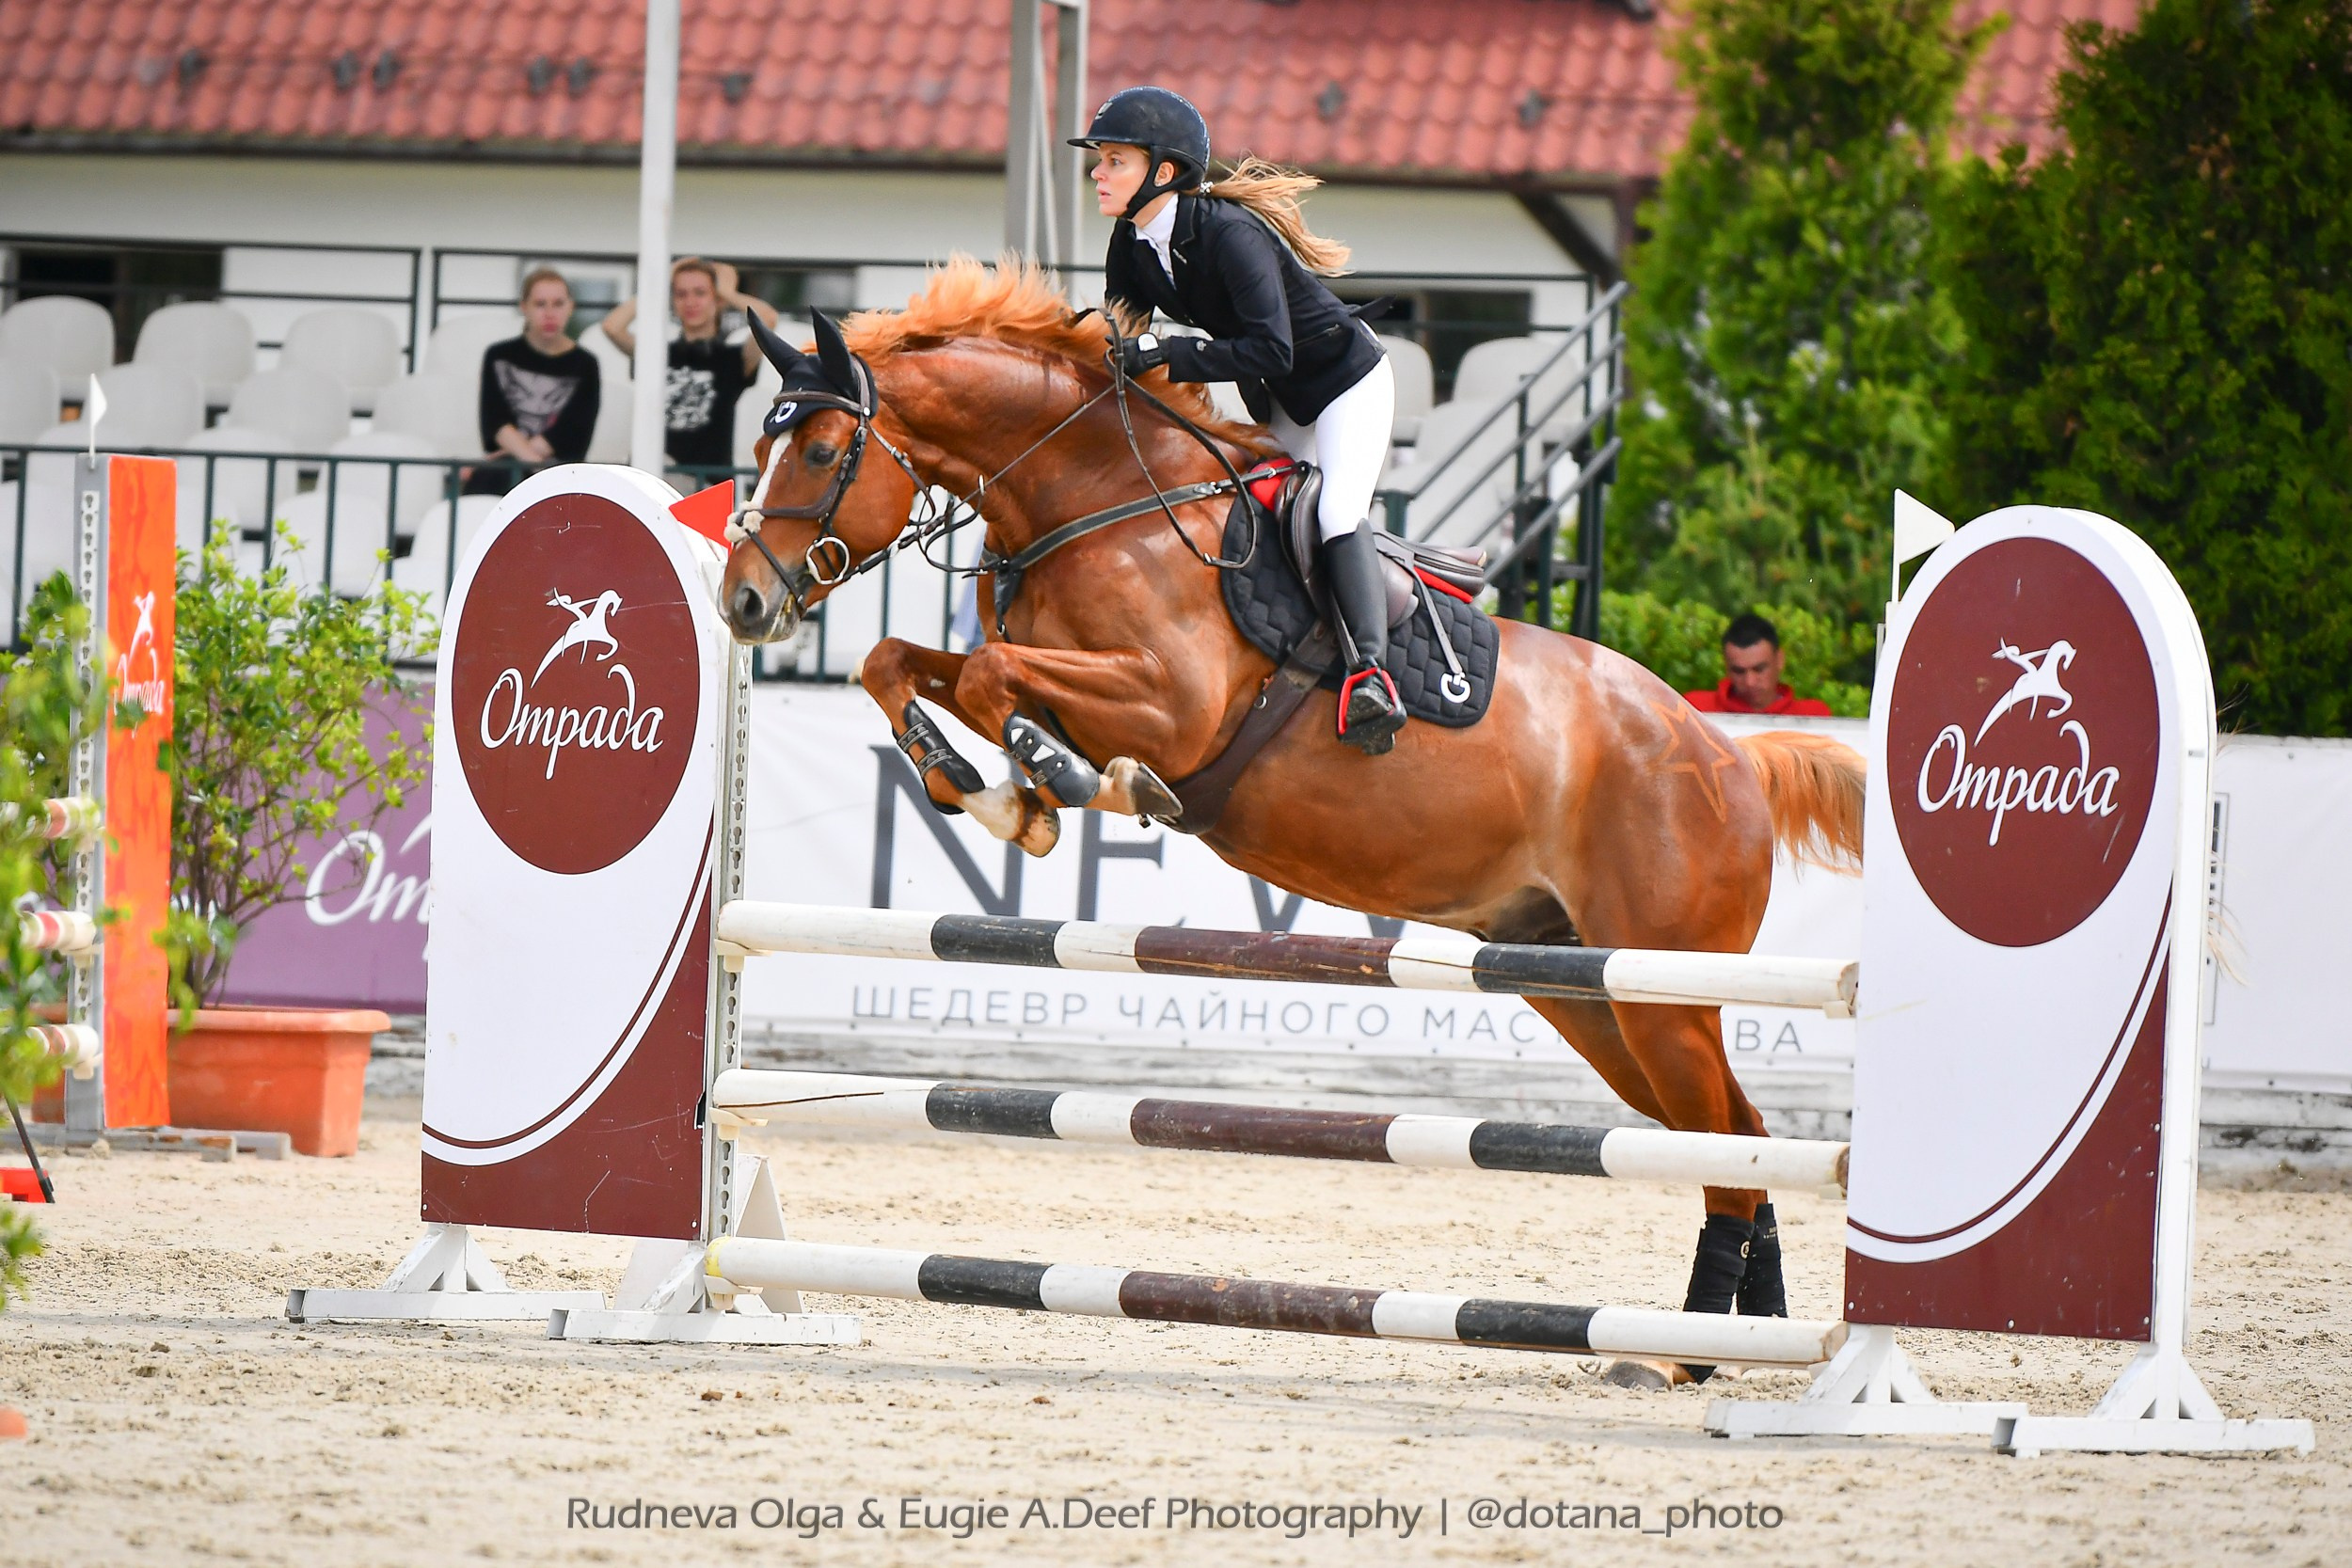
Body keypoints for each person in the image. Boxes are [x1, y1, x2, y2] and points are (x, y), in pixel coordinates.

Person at [1074, 87, 1404, 756]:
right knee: (1250, 512)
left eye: (1114, 161)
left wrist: (1167, 353)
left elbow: (1271, 348)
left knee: (1335, 512)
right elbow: (1120, 337)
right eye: (1101, 161)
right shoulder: (1132, 241)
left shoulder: (1231, 236)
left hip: (1347, 384)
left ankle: (1372, 673)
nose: (1097, 173)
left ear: (1163, 172)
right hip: (1283, 399)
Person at [601, 257, 783, 479]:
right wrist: (660, 280)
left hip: (706, 482)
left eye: (700, 293)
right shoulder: (656, 355)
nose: (690, 302)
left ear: (717, 300)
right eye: (681, 294)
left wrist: (726, 292)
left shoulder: (733, 358)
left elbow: (768, 320)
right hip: (655, 477)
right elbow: (612, 327)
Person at [467, 268, 599, 497]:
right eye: (540, 304)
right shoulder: (498, 356)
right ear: (524, 307)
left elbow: (573, 430)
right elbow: (495, 422)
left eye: (558, 304)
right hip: (505, 473)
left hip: (560, 472)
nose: (549, 313)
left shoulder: (586, 364)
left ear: (570, 307)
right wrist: (531, 460)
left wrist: (517, 453)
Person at [1683, 613, 1834, 716]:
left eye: (1759, 669)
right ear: (1726, 665)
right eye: (1738, 671)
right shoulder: (1695, 709)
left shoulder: (1813, 715)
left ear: (1780, 659)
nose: (1750, 682)